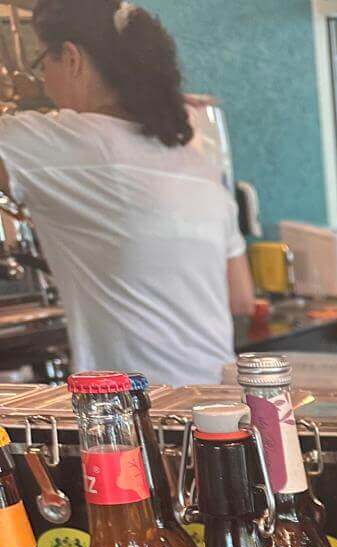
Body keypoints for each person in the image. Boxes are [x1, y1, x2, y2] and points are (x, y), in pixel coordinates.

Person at [0, 0, 256, 384]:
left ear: (71, 58)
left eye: (42, 64)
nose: (45, 82)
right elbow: (241, 299)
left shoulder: (65, 143)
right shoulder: (198, 164)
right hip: (216, 402)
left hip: (136, 409)